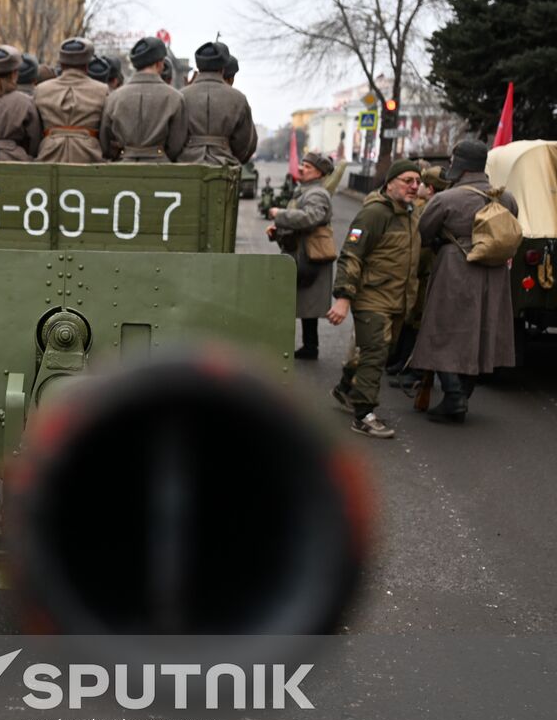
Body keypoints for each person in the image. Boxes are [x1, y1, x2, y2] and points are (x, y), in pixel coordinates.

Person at [410, 139, 520, 422]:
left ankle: (454, 395)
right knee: (482, 331)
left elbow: (424, 231)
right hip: (494, 273)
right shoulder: (506, 198)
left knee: (443, 329)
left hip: (456, 269)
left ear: (458, 163)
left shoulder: (446, 199)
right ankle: (462, 393)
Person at [326, 158, 423, 438]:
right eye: (407, 180)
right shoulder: (374, 214)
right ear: (390, 182)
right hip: (372, 298)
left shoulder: (410, 215)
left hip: (399, 300)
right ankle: (363, 415)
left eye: (417, 182)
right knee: (375, 353)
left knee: (377, 351)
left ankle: (345, 388)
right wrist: (343, 298)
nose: (414, 186)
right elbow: (351, 256)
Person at [267, 151, 335, 360]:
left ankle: (300, 346)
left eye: (307, 166)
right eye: (303, 164)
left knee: (294, 300)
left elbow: (310, 218)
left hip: (307, 256)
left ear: (319, 173)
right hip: (301, 253)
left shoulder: (316, 194)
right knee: (304, 303)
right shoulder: (305, 191)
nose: (301, 168)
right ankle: (309, 346)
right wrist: (277, 230)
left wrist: (280, 215)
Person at [387, 163, 447, 389]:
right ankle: (403, 363)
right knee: (412, 320)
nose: (416, 187)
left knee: (419, 321)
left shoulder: (428, 209)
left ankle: (415, 370)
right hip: (422, 273)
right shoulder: (423, 206)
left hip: (425, 273)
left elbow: (421, 245)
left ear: (430, 188)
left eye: (420, 183)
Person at [99, 36, 187, 162]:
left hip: (123, 167)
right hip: (162, 168)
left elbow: (105, 141)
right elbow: (176, 145)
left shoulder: (114, 97)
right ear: (159, 63)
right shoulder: (175, 97)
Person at [33, 36, 109, 164]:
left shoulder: (41, 89)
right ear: (87, 65)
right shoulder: (102, 90)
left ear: (61, 65)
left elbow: (35, 130)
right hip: (89, 156)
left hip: (48, 154)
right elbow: (105, 131)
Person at [179, 42, 257, 165]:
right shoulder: (238, 98)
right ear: (223, 67)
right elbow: (245, 143)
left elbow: (174, 138)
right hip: (225, 165)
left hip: (186, 166)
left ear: (199, 67)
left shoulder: (181, 96)